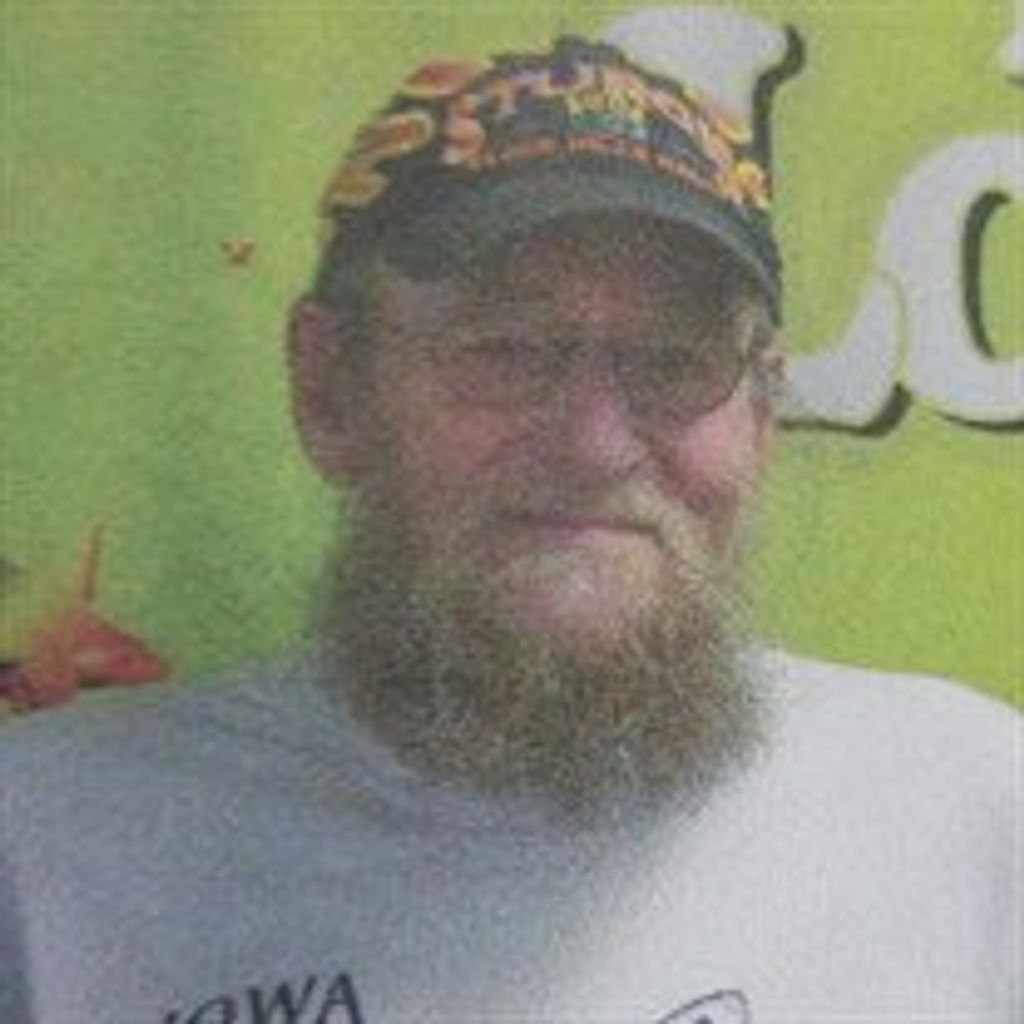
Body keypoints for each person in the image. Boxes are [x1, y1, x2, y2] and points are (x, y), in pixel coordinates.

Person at [0, 34, 1018, 1024]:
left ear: (761, 416)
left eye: (674, 361)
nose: (594, 445)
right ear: (330, 389)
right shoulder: (49, 846)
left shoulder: (967, 803)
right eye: (506, 348)